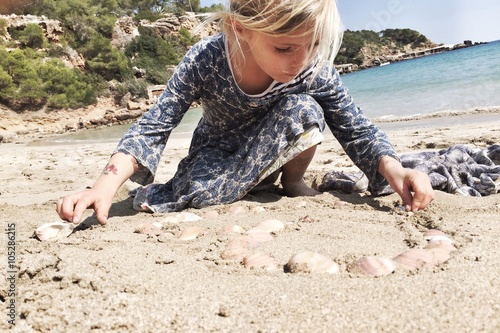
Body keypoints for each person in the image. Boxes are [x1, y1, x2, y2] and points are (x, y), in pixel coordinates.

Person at [56, 0, 434, 225]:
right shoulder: (205, 60)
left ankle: (290, 181)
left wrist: (394, 169)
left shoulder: (311, 67)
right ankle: (248, 183)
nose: (300, 62)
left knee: (304, 107)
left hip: (279, 147)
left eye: (314, 44)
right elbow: (155, 125)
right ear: (240, 29)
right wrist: (103, 186)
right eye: (284, 49)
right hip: (218, 154)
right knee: (198, 192)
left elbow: (355, 126)